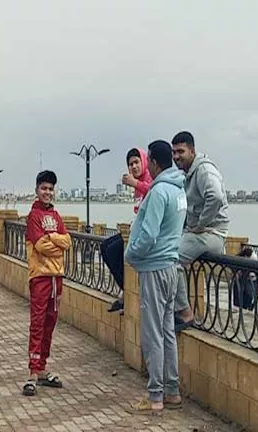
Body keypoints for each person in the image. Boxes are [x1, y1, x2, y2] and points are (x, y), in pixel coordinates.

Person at [124, 140, 187, 414]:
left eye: (147, 159)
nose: (146, 164)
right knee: (167, 331)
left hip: (154, 268)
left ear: (153, 161)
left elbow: (148, 234)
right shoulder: (178, 190)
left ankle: (155, 397)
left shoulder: (160, 191)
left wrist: (131, 254)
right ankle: (172, 391)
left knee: (153, 335)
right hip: (171, 267)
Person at [171, 131, 230, 332]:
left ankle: (185, 312)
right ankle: (174, 307)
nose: (176, 156)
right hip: (200, 233)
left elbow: (216, 197)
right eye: (174, 152)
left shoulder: (204, 170)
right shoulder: (188, 174)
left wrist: (201, 224)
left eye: (181, 151)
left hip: (212, 234)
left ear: (192, 151)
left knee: (171, 258)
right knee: (165, 251)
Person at [22, 170, 71, 397]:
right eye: (44, 188)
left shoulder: (56, 215)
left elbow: (67, 241)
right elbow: (41, 246)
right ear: (37, 190)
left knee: (50, 322)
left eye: (51, 189)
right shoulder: (34, 216)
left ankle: (42, 367)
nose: (47, 192)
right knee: (38, 322)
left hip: (56, 278)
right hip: (40, 276)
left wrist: (52, 238)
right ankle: (33, 371)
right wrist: (55, 243)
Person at [109, 148, 154, 313]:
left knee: (115, 251)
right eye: (130, 164)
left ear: (144, 162)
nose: (134, 167)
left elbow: (154, 191)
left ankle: (127, 292)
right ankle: (125, 288)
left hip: (146, 233)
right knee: (106, 247)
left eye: (136, 162)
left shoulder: (149, 178)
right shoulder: (139, 183)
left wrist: (134, 183)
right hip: (136, 229)